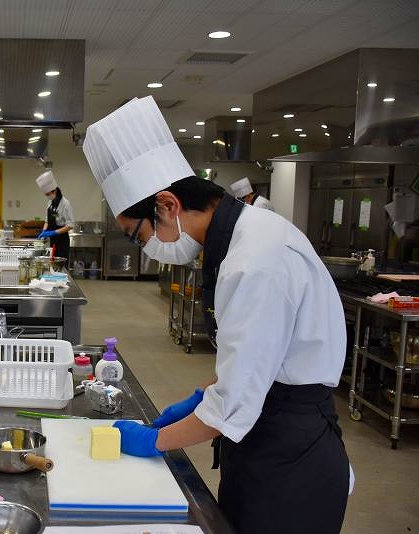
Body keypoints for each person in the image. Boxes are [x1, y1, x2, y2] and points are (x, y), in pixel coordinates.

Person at [83, 96, 351, 534]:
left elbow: (234, 408)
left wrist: (155, 441)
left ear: (168, 205)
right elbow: (257, 364)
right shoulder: (243, 240)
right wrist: (201, 396)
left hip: (290, 460)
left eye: (138, 235)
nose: (145, 248)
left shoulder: (256, 261)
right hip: (266, 438)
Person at [35, 170, 74, 260]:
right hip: (53, 241)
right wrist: (44, 231)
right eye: (46, 194)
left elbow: (70, 225)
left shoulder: (65, 204)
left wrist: (54, 232)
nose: (48, 196)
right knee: (52, 264)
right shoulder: (50, 203)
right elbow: (47, 220)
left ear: (55, 190)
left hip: (62, 241)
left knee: (60, 266)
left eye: (48, 194)